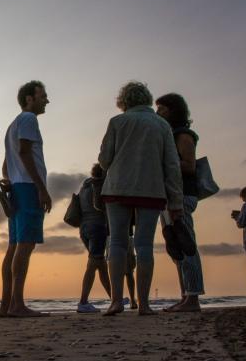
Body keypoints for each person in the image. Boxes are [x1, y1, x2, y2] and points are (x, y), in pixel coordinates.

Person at [98, 81, 183, 316]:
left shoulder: (117, 122)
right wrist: (176, 202)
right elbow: (172, 165)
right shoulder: (161, 124)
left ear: (123, 101)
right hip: (151, 189)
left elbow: (105, 160)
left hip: (117, 187)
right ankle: (144, 304)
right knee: (144, 245)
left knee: (117, 242)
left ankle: (116, 301)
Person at [0, 80, 51, 318]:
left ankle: (6, 305)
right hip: (28, 188)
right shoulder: (29, 119)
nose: (46, 100)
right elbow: (24, 152)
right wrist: (42, 188)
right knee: (25, 245)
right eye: (43, 95)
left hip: (17, 187)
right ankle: (17, 305)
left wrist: (9, 179)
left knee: (13, 247)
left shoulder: (12, 125)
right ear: (29, 98)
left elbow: (6, 163)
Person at [155, 93, 205, 313]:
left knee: (187, 244)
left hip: (182, 195)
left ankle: (193, 298)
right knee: (175, 248)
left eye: (162, 109)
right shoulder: (168, 135)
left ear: (173, 111)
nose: (158, 113)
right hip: (167, 196)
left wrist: (164, 164)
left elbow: (190, 166)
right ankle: (185, 295)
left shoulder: (183, 135)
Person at [76, 163, 111, 313]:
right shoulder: (99, 185)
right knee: (92, 264)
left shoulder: (85, 185)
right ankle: (83, 302)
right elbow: (100, 206)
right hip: (97, 227)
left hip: (84, 228)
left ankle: (114, 297)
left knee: (101, 265)